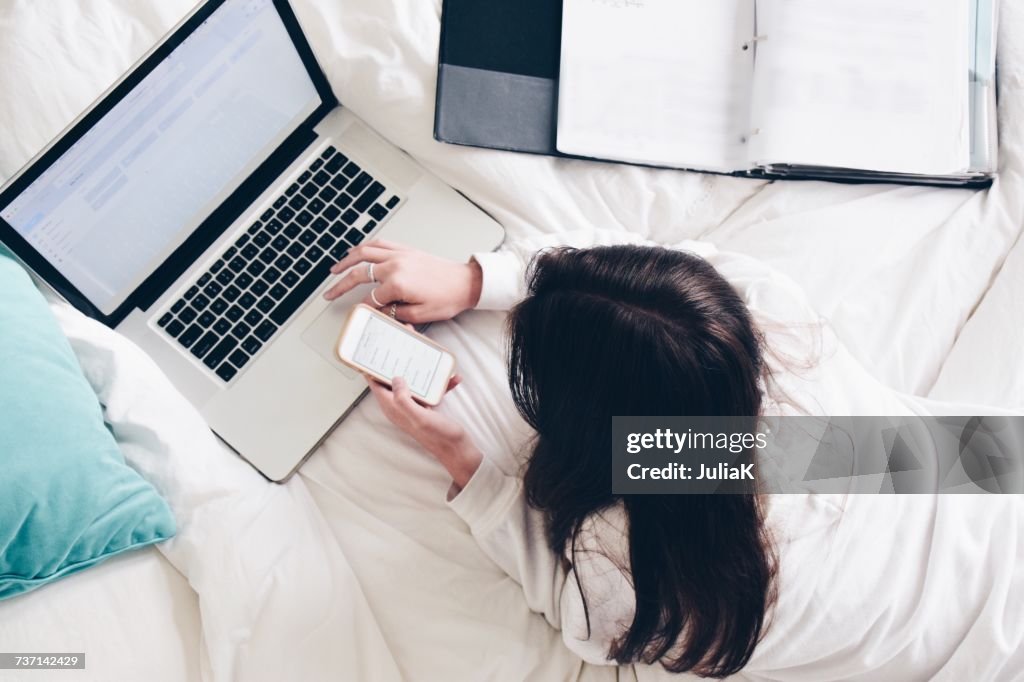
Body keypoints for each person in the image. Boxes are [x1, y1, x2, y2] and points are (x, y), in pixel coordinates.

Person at [321, 231, 1024, 680]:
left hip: (984, 650)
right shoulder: (765, 312)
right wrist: (482, 279)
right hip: (996, 486)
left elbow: (585, 627)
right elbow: (661, 275)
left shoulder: (636, 560)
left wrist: (465, 463)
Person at [323, 231, 776, 677]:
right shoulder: (760, 301)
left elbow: (578, 618)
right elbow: (667, 274)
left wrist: (458, 456)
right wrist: (474, 281)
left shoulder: (636, 576)